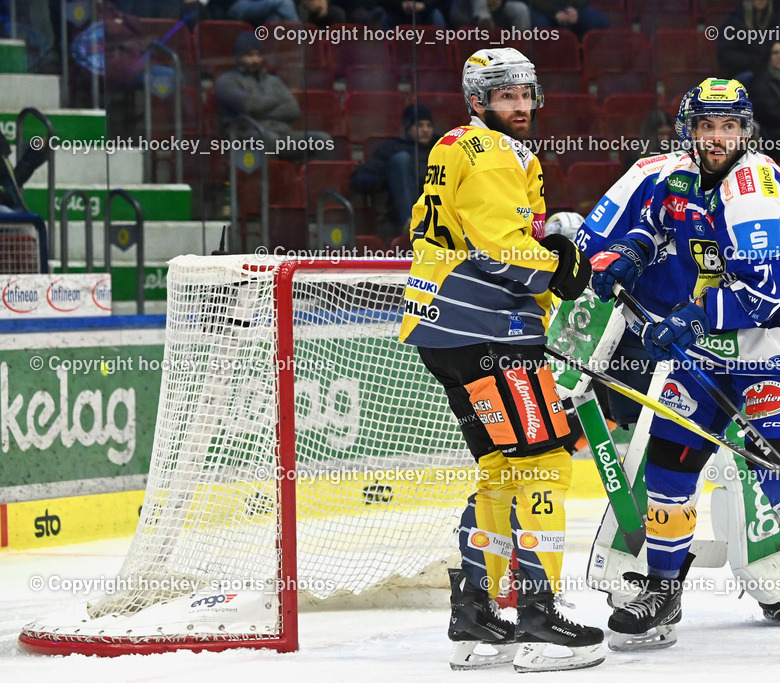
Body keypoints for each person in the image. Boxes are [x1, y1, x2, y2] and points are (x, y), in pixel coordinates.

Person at [588, 78, 780, 659]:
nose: (718, 138)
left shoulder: (753, 188)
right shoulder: (681, 173)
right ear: (690, 127)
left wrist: (683, 318)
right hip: (708, 355)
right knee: (667, 469)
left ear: (745, 130)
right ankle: (662, 589)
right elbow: (660, 222)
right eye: (708, 126)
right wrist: (629, 255)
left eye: (729, 127)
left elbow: (760, 295)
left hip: (773, 353)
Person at [398, 47, 603, 673]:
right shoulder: (488, 155)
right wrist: (564, 265)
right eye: (505, 95)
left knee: (498, 468)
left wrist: (545, 244)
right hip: (491, 331)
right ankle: (539, 616)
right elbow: (502, 254)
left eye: (525, 94)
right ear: (478, 100)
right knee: (542, 461)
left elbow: (436, 229)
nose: (519, 106)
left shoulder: (456, 146)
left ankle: (478, 616)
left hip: (443, 330)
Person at [214, 32, 333, 161]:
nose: (255, 60)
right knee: (269, 139)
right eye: (249, 55)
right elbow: (247, 106)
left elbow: (293, 110)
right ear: (238, 57)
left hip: (283, 135)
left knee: (323, 140)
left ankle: (312, 181)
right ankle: (268, 181)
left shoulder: (274, 81)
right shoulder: (226, 81)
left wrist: (259, 108)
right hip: (245, 137)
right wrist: (276, 101)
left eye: (258, 55)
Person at [351, 104, 440, 240]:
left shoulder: (441, 146)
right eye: (419, 125)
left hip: (437, 209)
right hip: (401, 211)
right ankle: (411, 223)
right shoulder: (392, 148)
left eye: (429, 125)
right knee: (401, 159)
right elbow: (358, 179)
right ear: (408, 128)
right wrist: (391, 178)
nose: (426, 130)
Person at [716, 0, 780, 83]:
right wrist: (754, 61)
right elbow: (725, 56)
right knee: (759, 81)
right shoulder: (734, 23)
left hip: (770, 70)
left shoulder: (775, 21)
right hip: (742, 72)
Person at [529, 1, 609, 39]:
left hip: (569, 7)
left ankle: (577, 57)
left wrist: (574, 8)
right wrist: (553, 12)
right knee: (540, 25)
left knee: (598, 21)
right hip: (541, 8)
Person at [447, 0, 531, 30]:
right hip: (466, 14)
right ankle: (484, 18)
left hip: (497, 12)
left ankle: (520, 53)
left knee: (521, 9)